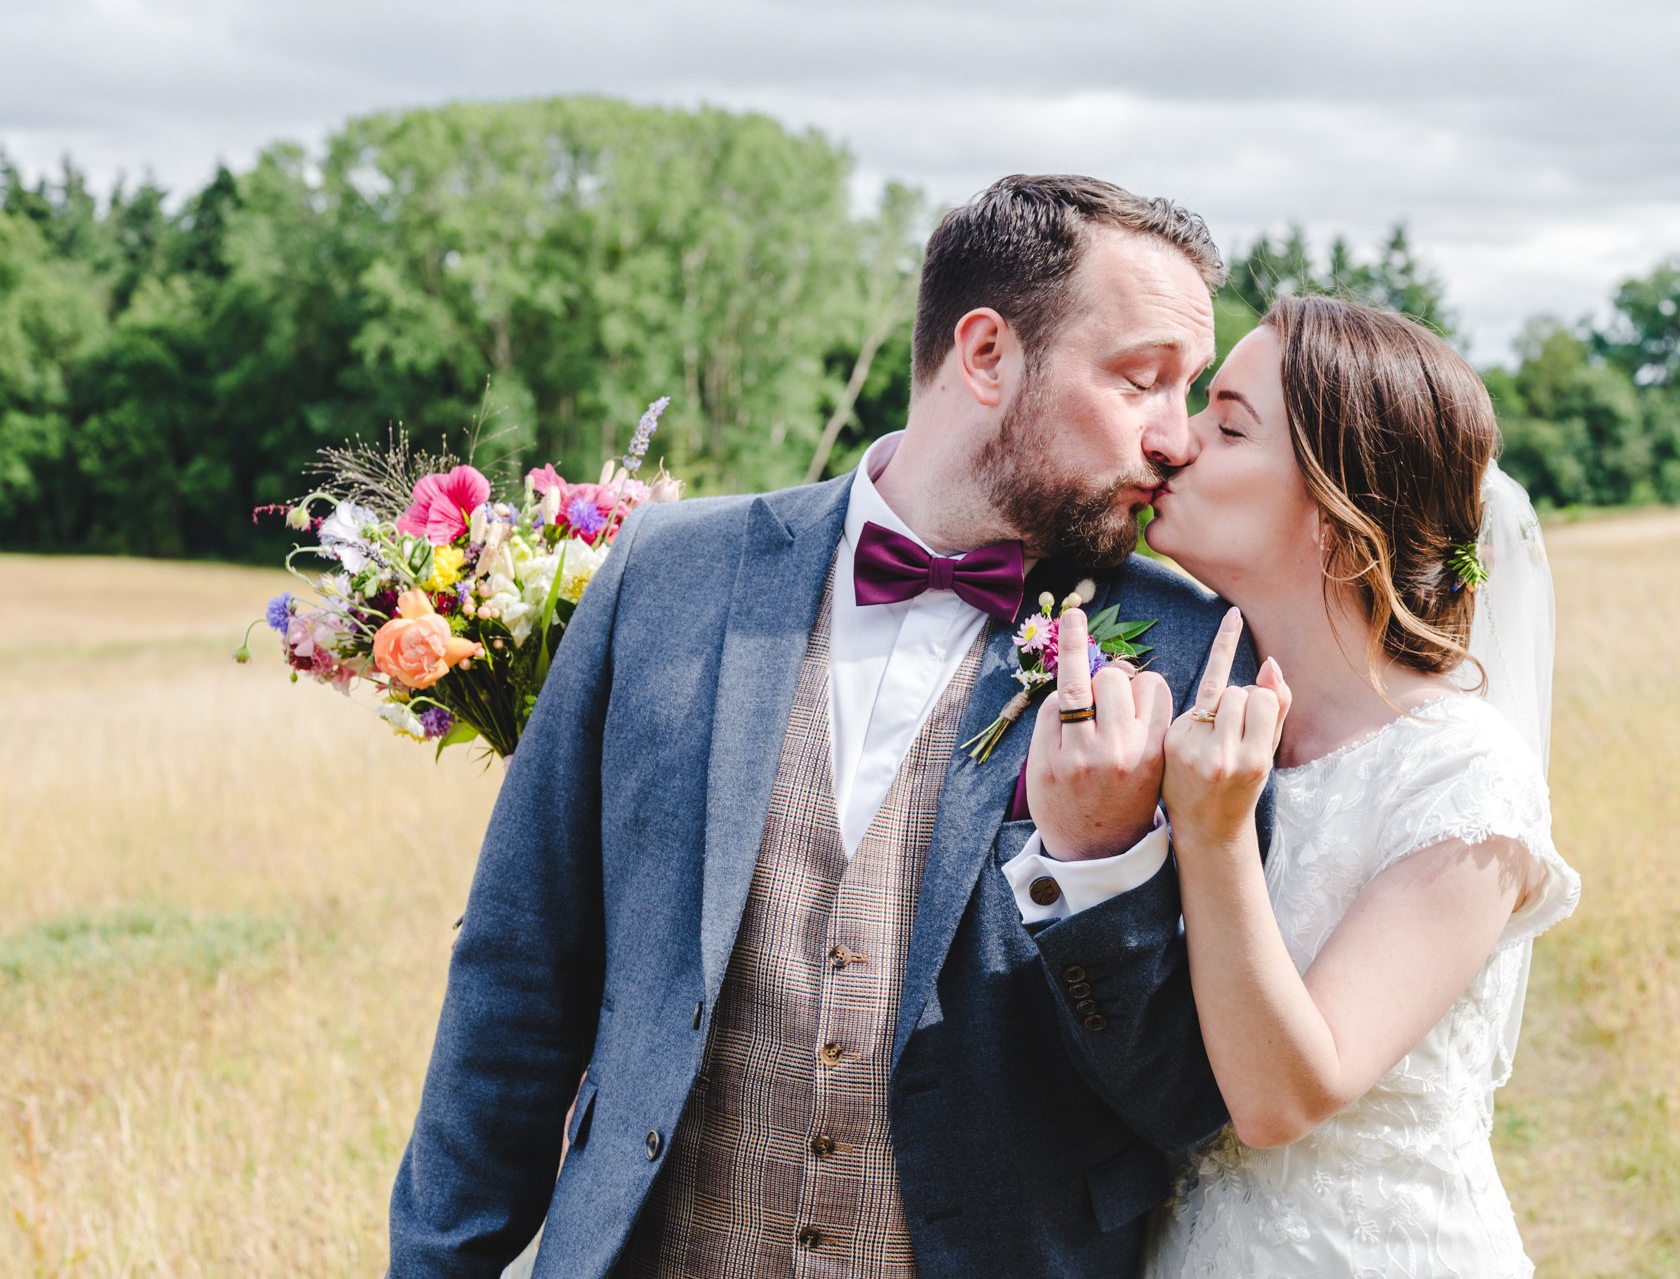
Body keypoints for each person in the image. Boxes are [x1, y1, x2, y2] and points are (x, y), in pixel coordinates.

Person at [387, 174, 1272, 1279]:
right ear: (987, 353)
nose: (1175, 440)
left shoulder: (1195, 652)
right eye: (1143, 381)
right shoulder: (666, 576)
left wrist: (1094, 875)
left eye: (1189, 394)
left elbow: (1190, 1098)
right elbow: (520, 969)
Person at [1139, 297, 1581, 1278]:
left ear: (1338, 517)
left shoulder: (1462, 775)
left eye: (1227, 423)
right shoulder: (1187, 706)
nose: (1174, 442)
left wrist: (1210, 840)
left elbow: (1283, 1098)